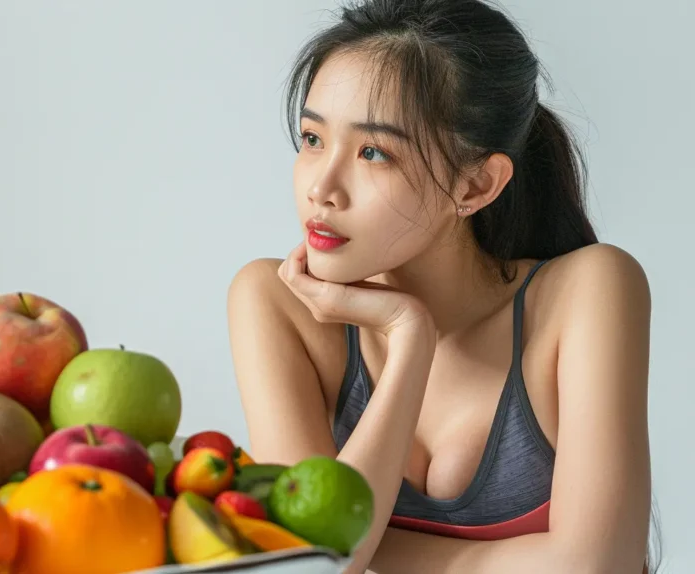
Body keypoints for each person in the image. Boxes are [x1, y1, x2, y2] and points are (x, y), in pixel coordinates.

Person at [226, 0, 659, 572]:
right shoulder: (277, 303)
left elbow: (598, 566)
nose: (321, 188)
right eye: (312, 139)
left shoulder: (588, 292)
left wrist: (369, 549)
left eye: (373, 151)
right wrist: (409, 341)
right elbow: (307, 566)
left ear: (475, 184)